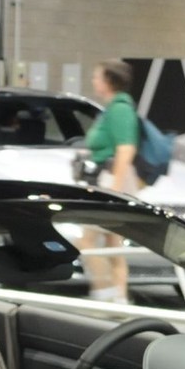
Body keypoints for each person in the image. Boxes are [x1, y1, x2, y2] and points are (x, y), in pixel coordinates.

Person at [83, 60, 143, 302]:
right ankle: (119, 298)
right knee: (112, 242)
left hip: (112, 180)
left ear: (109, 81)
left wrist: (113, 191)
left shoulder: (120, 109)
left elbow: (126, 149)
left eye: (97, 77)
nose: (93, 81)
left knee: (86, 240)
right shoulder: (114, 108)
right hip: (109, 178)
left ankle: (105, 291)